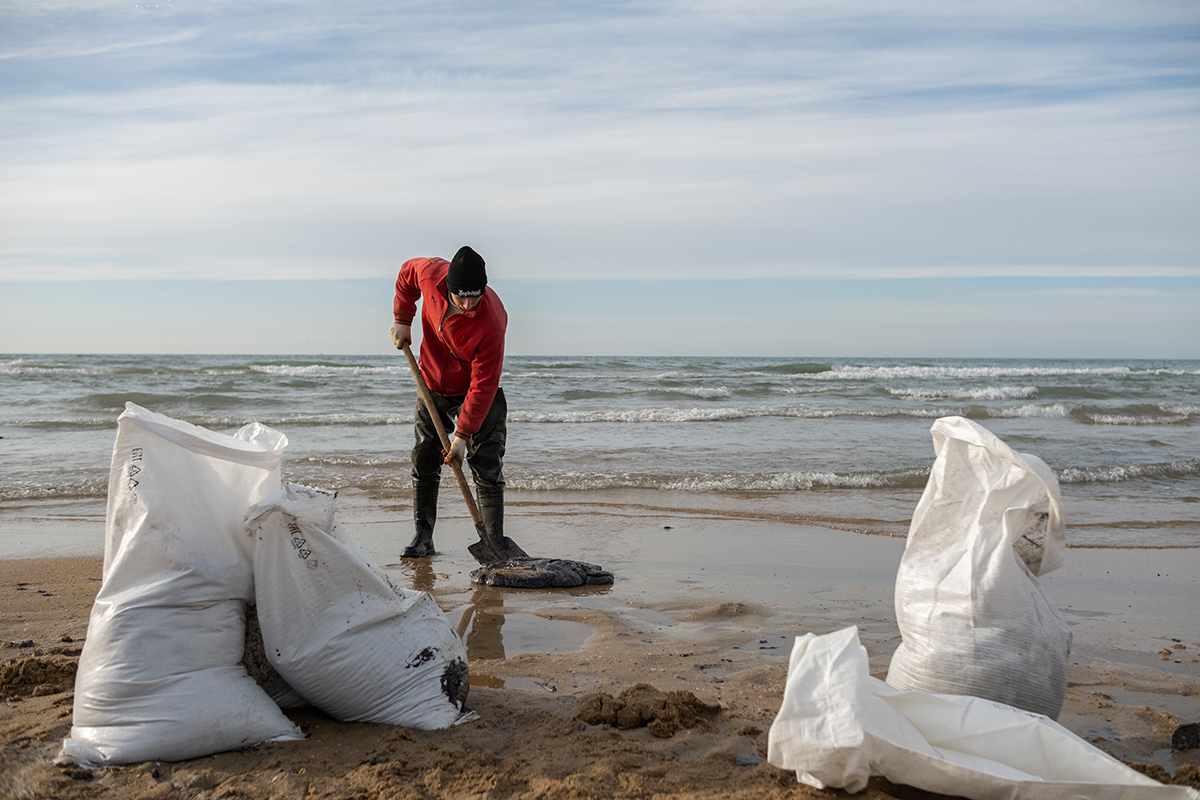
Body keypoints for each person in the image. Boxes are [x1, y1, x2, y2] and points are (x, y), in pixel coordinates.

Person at [390, 246, 508, 558]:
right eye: (461, 297)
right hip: (432, 383)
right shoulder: (430, 274)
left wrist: (463, 436)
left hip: (477, 388)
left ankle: (494, 542)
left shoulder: (493, 320)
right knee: (425, 457)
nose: (469, 304)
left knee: (486, 460)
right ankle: (423, 537)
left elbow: (483, 384)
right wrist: (403, 318)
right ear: (448, 288)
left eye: (475, 296)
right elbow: (406, 274)